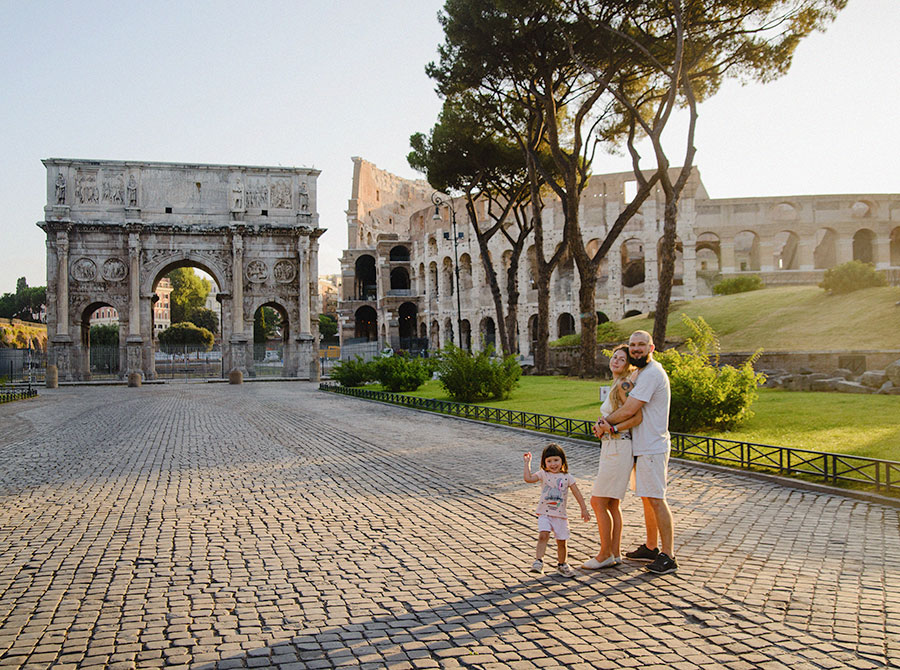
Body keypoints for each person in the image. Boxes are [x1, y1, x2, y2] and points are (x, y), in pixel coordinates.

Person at [596, 330, 678, 575]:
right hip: (642, 446)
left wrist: (604, 424)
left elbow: (632, 408)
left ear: (651, 348)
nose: (636, 349)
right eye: (633, 345)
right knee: (646, 497)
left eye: (641, 345)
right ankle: (651, 547)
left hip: (653, 446)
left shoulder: (652, 373)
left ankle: (669, 555)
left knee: (656, 498)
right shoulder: (640, 373)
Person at [582, 345, 642, 570]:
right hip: (613, 448)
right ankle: (614, 552)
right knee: (612, 504)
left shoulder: (625, 384)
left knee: (597, 501)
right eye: (614, 357)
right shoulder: (617, 384)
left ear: (628, 364)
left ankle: (604, 553)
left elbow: (637, 417)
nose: (616, 361)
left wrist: (612, 429)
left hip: (618, 447)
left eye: (621, 359)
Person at [523, 443, 590, 577]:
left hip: (560, 515)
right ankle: (538, 561)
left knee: (562, 541)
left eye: (556, 460)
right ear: (544, 462)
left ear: (562, 461)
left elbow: (577, 493)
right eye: (549, 461)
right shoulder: (543, 474)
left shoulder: (567, 477)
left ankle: (562, 564)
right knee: (543, 535)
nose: (553, 464)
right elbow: (528, 479)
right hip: (545, 513)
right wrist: (527, 463)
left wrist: (584, 509)